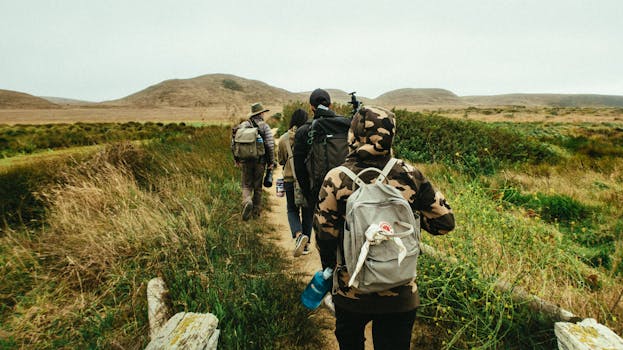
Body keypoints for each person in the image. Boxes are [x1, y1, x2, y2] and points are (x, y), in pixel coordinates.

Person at [314, 106, 455, 349]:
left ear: (354, 134)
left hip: (352, 293)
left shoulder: (337, 178)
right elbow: (445, 223)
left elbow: (325, 235)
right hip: (400, 292)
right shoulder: (410, 174)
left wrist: (331, 270)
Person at [293, 88, 350, 216]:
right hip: (346, 188)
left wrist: (309, 195)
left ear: (311, 107)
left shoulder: (303, 131)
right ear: (330, 105)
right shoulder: (346, 125)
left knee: (324, 232)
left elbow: (299, 168)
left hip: (319, 191)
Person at [277, 108, 313, 256]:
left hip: (289, 178)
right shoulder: (310, 135)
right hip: (307, 178)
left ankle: (298, 236)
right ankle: (306, 245)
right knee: (308, 211)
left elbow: (280, 160)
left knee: (292, 209)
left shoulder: (284, 138)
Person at [231, 102, 275, 221]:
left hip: (245, 161)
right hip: (260, 161)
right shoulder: (264, 126)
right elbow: (270, 146)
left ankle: (247, 201)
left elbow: (233, 143)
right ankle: (256, 213)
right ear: (261, 113)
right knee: (258, 187)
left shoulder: (242, 126)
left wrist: (236, 159)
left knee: (246, 185)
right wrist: (271, 162)